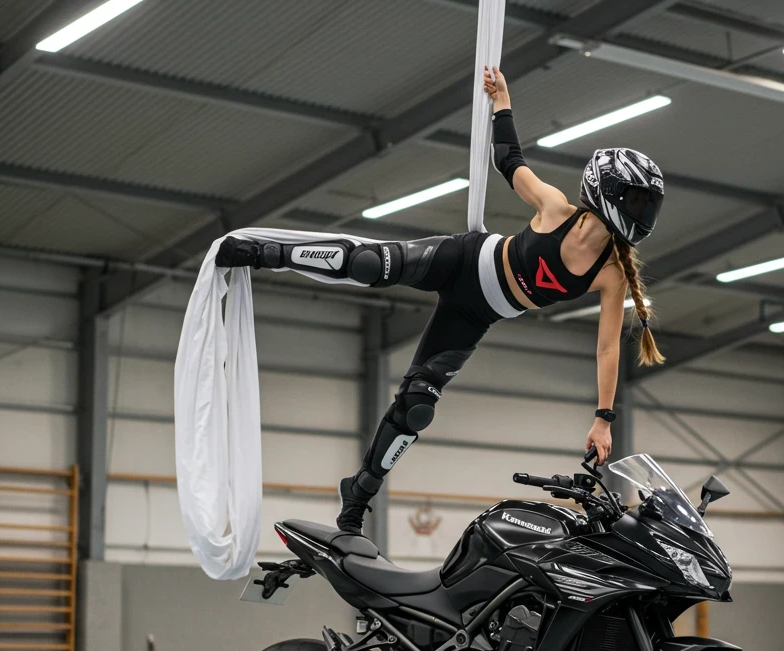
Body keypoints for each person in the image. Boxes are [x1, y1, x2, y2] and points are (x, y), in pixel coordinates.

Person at [215, 67, 665, 536]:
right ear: (606, 188)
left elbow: (608, 349)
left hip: (476, 313)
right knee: (371, 266)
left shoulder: (611, 274)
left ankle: (357, 494)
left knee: (417, 409)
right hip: (463, 261)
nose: (643, 213)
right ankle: (263, 253)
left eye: (647, 205)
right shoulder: (554, 208)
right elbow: (508, 158)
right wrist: (502, 103)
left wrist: (603, 420)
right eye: (636, 200)